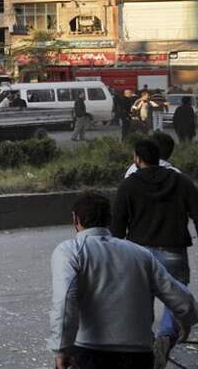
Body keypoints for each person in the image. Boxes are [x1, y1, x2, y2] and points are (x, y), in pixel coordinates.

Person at [50, 192, 198, 369]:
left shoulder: (70, 251)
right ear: (109, 219)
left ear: (75, 219)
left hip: (90, 352)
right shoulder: (140, 253)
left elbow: (65, 300)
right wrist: (185, 321)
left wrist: (61, 349)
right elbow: (181, 297)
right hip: (139, 354)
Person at [111, 139, 198, 365]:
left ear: (137, 159)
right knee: (175, 296)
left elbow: (118, 224)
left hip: (138, 251)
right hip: (173, 250)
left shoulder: (128, 185)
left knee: (141, 298)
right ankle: (166, 336)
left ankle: (144, 341)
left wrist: (114, 252)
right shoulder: (181, 181)